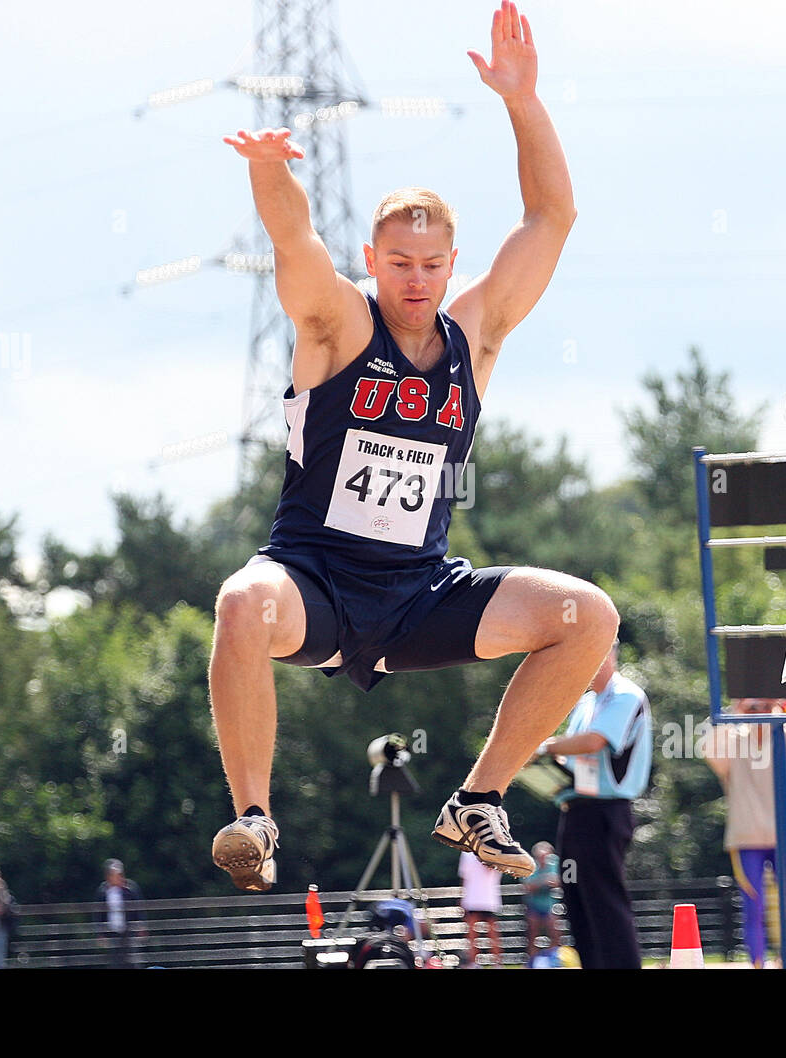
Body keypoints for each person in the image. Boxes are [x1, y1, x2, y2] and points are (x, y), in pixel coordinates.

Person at [210, 1, 617, 892]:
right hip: (312, 579)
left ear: (452, 263)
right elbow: (292, 240)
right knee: (240, 602)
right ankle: (251, 819)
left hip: (418, 592)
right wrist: (271, 172)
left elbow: (552, 219)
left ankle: (479, 799)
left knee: (586, 615)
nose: (418, 281)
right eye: (400, 263)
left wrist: (523, 99)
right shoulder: (337, 323)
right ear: (374, 257)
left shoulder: (477, 331)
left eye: (433, 265)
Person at [537, 641, 651, 969]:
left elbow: (594, 741)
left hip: (605, 811)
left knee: (605, 903)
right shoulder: (587, 702)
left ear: (609, 654)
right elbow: (572, 755)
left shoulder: (625, 694)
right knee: (577, 903)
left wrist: (542, 747)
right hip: (576, 811)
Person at [706, 698, 786, 968]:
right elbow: (709, 750)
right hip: (747, 835)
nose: (762, 711)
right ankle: (758, 963)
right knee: (753, 904)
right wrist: (736, 711)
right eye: (756, 706)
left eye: (766, 705)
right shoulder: (734, 739)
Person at [95, 859, 145, 968]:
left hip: (129, 930)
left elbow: (139, 907)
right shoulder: (103, 891)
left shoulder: (131, 887)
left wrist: (141, 926)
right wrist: (100, 933)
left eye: (120, 874)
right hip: (112, 931)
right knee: (115, 962)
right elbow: (98, 913)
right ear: (108, 876)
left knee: (133, 961)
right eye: (116, 875)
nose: (119, 877)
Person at [458, 851, 504, 967]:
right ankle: (473, 962)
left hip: (489, 898)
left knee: (492, 933)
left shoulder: (495, 851)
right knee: (472, 934)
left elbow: (495, 870)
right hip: (473, 898)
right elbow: (464, 876)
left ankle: (497, 963)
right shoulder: (467, 854)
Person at [521, 841, 562, 955]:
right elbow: (528, 886)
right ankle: (533, 962)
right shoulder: (530, 865)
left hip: (550, 907)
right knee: (532, 936)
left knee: (555, 934)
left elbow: (559, 881)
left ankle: (554, 960)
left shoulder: (555, 864)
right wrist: (544, 881)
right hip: (533, 906)